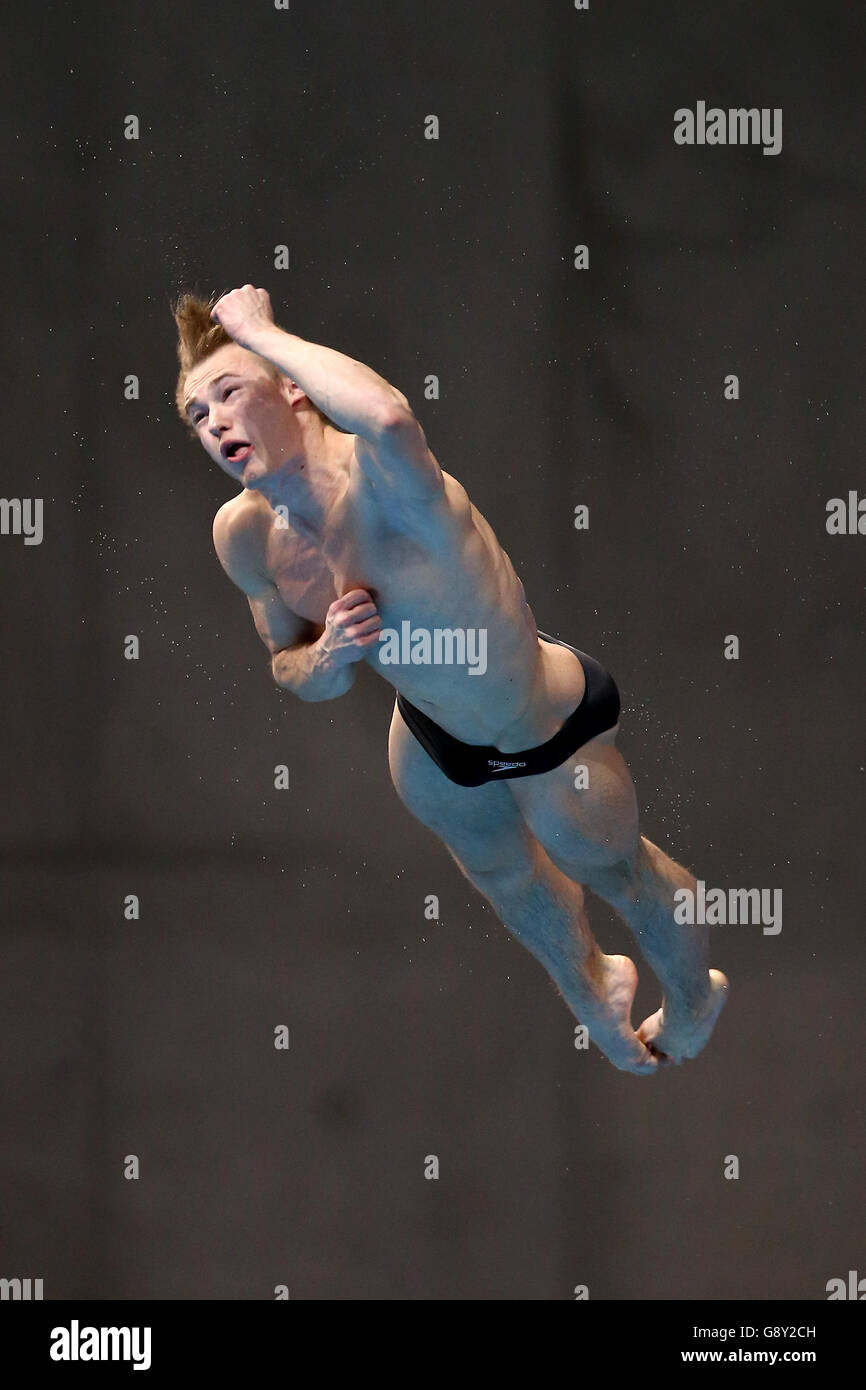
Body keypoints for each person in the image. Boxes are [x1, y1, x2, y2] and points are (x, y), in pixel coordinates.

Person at [174, 284, 728, 1074]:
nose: (216, 421)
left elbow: (391, 413)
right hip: (431, 738)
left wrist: (261, 331)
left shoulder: (387, 477)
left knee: (612, 867)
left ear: (291, 386)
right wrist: (327, 655)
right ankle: (589, 984)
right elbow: (292, 669)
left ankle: (695, 996)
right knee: (509, 884)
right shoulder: (245, 537)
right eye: (198, 415)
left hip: (541, 725)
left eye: (230, 391)